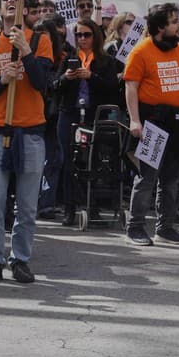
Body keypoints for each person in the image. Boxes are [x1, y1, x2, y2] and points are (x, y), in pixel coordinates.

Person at [0, 0, 56, 284]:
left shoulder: (39, 40)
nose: (12, 2)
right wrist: (1, 81)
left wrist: (26, 52)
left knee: (27, 205)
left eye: (17, 0)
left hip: (30, 133)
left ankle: (20, 260)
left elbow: (43, 83)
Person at [124, 4, 179, 247]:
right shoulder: (140, 51)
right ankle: (135, 226)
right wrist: (135, 120)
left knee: (172, 179)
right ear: (160, 27)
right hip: (154, 122)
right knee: (147, 178)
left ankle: (165, 227)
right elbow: (131, 87)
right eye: (173, 22)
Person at [55, 17, 124, 222]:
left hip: (95, 115)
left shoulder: (106, 61)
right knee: (68, 161)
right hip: (70, 113)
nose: (82, 39)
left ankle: (92, 205)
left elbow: (113, 88)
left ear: (96, 36)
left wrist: (91, 76)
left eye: (86, 34)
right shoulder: (69, 59)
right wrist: (66, 78)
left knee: (94, 160)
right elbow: (53, 87)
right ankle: (69, 208)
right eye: (78, 35)